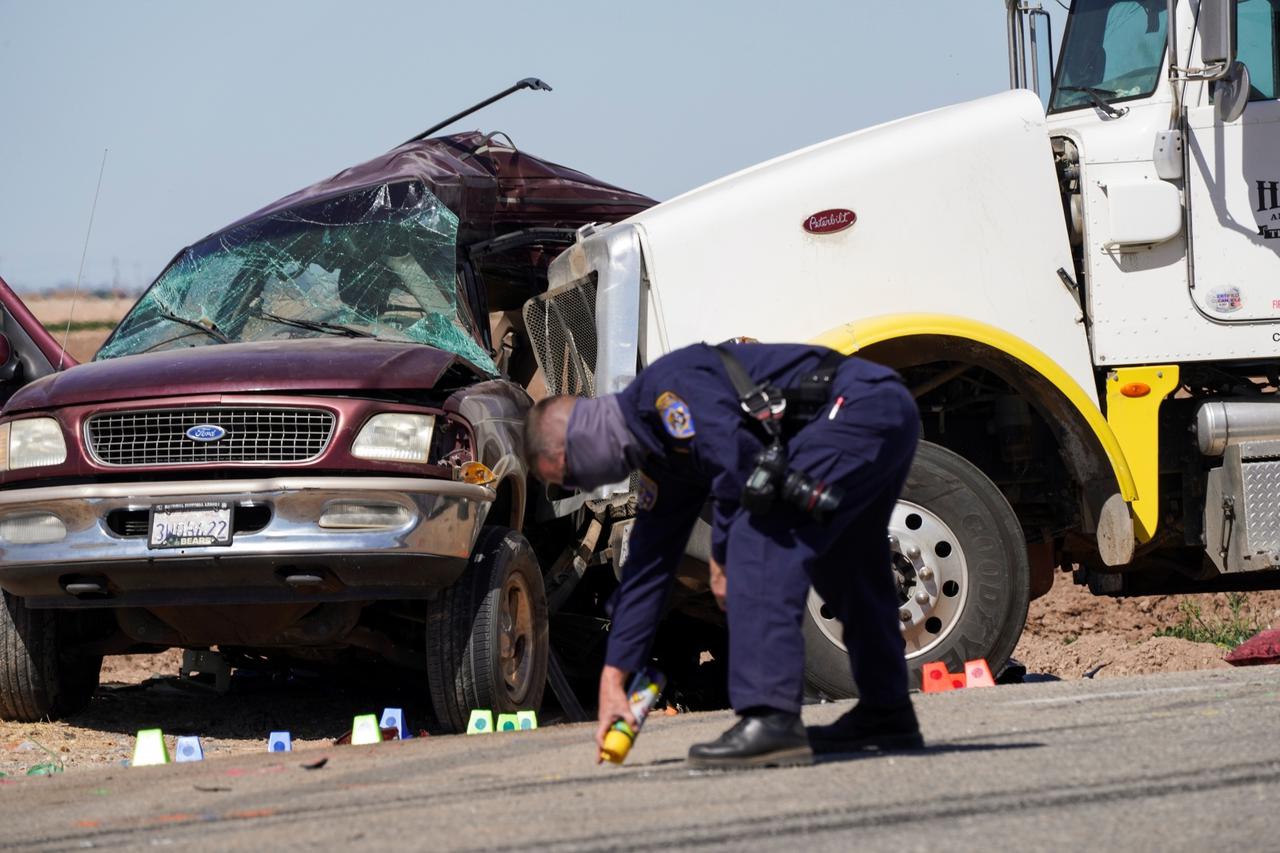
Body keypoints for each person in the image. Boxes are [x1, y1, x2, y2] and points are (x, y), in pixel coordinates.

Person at [523, 341, 923, 769]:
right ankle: (886, 712)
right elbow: (648, 565)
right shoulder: (661, 455)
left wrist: (722, 559)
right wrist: (615, 675)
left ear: (571, 446)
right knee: (848, 566)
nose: (580, 488)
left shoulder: (665, 393)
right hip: (873, 412)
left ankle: (769, 717)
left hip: (857, 406)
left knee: (757, 540)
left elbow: (739, 461)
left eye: (567, 479)